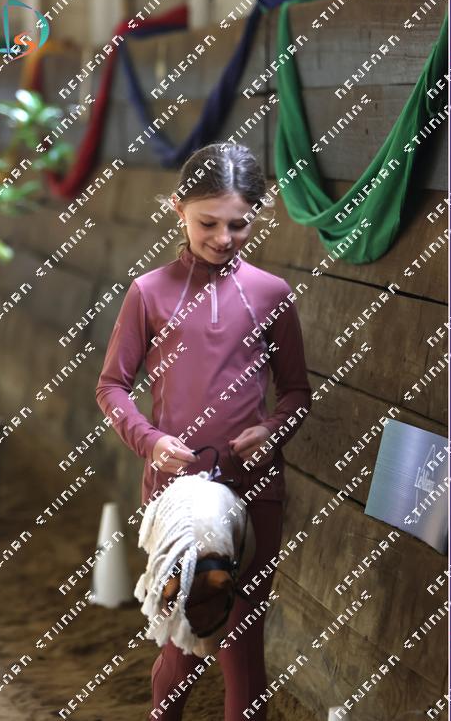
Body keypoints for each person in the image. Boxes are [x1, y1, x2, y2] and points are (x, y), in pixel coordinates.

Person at [95, 141, 312, 720]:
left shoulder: (271, 294)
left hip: (255, 488)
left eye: (238, 224)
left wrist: (273, 430)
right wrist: (150, 440)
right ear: (179, 209)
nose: (223, 238)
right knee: (186, 637)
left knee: (243, 642)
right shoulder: (149, 292)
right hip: (178, 493)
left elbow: (297, 393)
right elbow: (111, 387)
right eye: (207, 223)